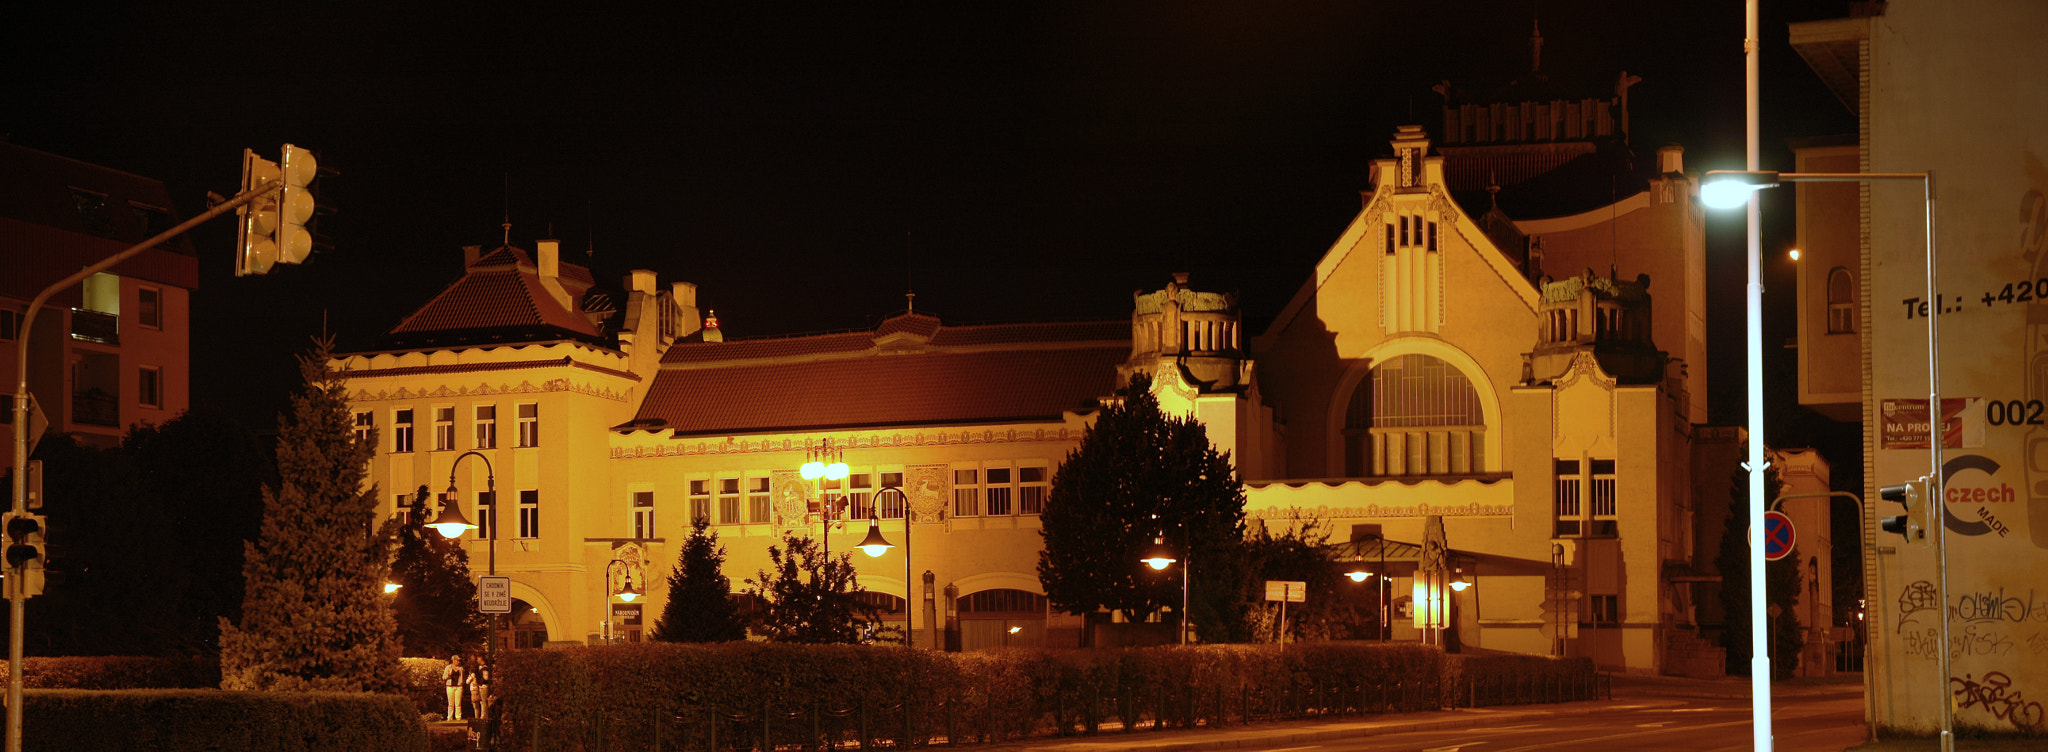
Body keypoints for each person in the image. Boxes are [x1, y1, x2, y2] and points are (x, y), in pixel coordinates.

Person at [442, 655, 467, 721]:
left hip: (458, 687)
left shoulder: (460, 668)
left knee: (458, 703)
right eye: (457, 660)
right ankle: (449, 717)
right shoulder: (448, 667)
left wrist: (461, 683)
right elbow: (443, 677)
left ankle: (458, 717)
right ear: (453, 660)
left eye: (459, 660)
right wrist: (448, 675)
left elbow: (462, 677)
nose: (458, 662)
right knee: (450, 703)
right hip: (450, 686)